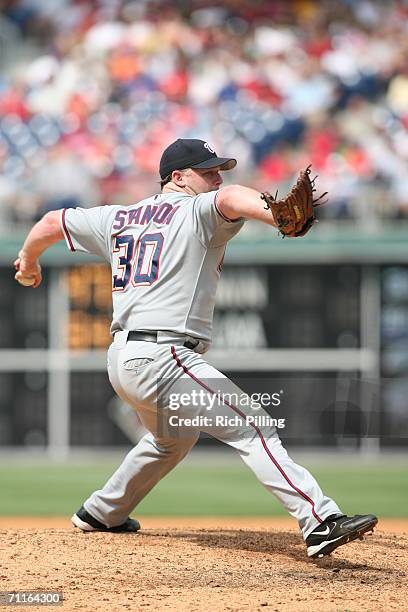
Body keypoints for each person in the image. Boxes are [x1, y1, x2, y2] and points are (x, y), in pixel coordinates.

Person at [15, 138, 377, 558]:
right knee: (253, 425)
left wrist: (28, 260)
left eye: (219, 169)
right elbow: (231, 197)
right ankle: (320, 521)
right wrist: (271, 213)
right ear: (178, 177)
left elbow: (50, 222)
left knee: (172, 439)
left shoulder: (117, 216)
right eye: (208, 170)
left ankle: (103, 512)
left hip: (122, 360)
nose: (217, 176)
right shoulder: (196, 208)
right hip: (164, 357)